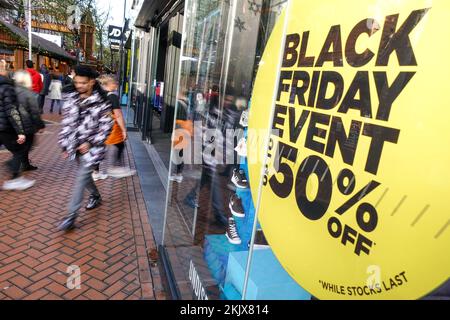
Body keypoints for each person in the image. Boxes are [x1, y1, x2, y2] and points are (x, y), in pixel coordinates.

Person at [57, 66, 113, 231]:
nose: (78, 85)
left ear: (92, 82)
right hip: (75, 146)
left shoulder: (103, 102)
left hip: (93, 149)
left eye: (83, 83)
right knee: (85, 177)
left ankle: (70, 217)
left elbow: (107, 127)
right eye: (76, 82)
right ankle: (95, 195)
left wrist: (90, 142)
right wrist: (65, 145)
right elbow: (67, 123)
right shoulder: (71, 98)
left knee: (81, 179)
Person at [0, 60, 35, 190]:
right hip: (4, 127)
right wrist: (20, 131)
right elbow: (11, 110)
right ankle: (15, 179)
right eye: (5, 68)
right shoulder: (7, 87)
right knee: (19, 150)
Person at [97, 74, 136, 179]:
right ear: (109, 84)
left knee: (99, 148)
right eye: (115, 82)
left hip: (101, 125)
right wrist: (124, 130)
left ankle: (96, 172)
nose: (117, 84)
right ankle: (113, 167)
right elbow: (118, 115)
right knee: (119, 144)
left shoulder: (100, 94)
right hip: (112, 126)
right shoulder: (112, 96)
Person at [13, 70, 45, 171]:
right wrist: (40, 125)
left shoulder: (11, 90)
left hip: (14, 123)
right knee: (28, 145)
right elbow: (34, 112)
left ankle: (25, 164)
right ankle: (14, 165)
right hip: (26, 124)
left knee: (21, 145)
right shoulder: (28, 93)